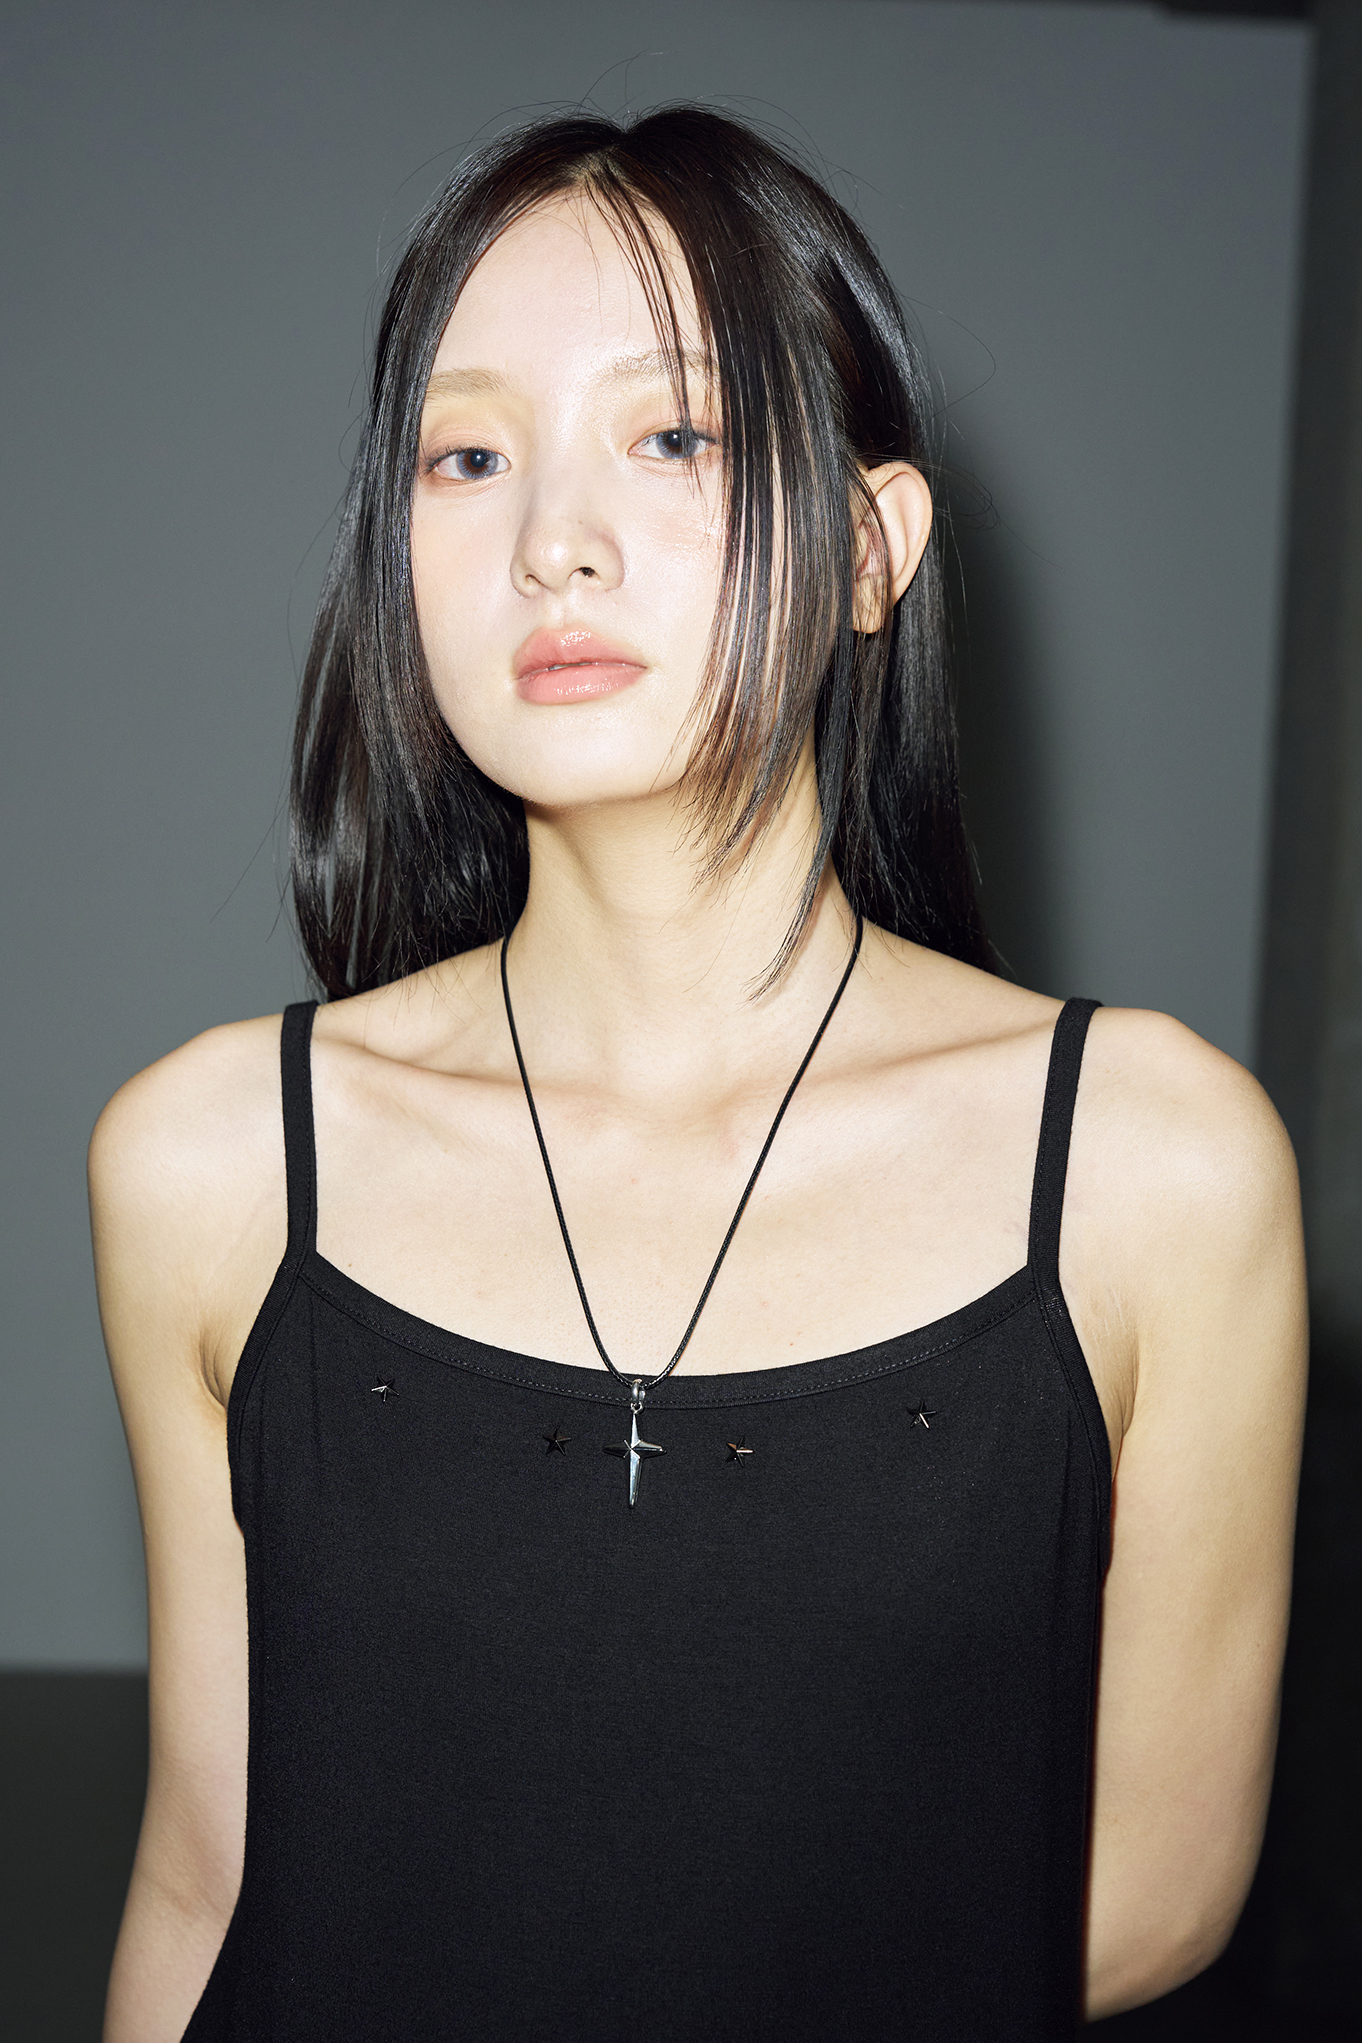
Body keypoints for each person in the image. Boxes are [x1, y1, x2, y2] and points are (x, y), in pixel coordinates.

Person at [89, 106, 1306, 2042]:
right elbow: (207, 1865)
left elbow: (1149, 1889)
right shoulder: (210, 1157)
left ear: (870, 548)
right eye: (466, 456)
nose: (551, 539)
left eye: (674, 436)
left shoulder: (1152, 1168)